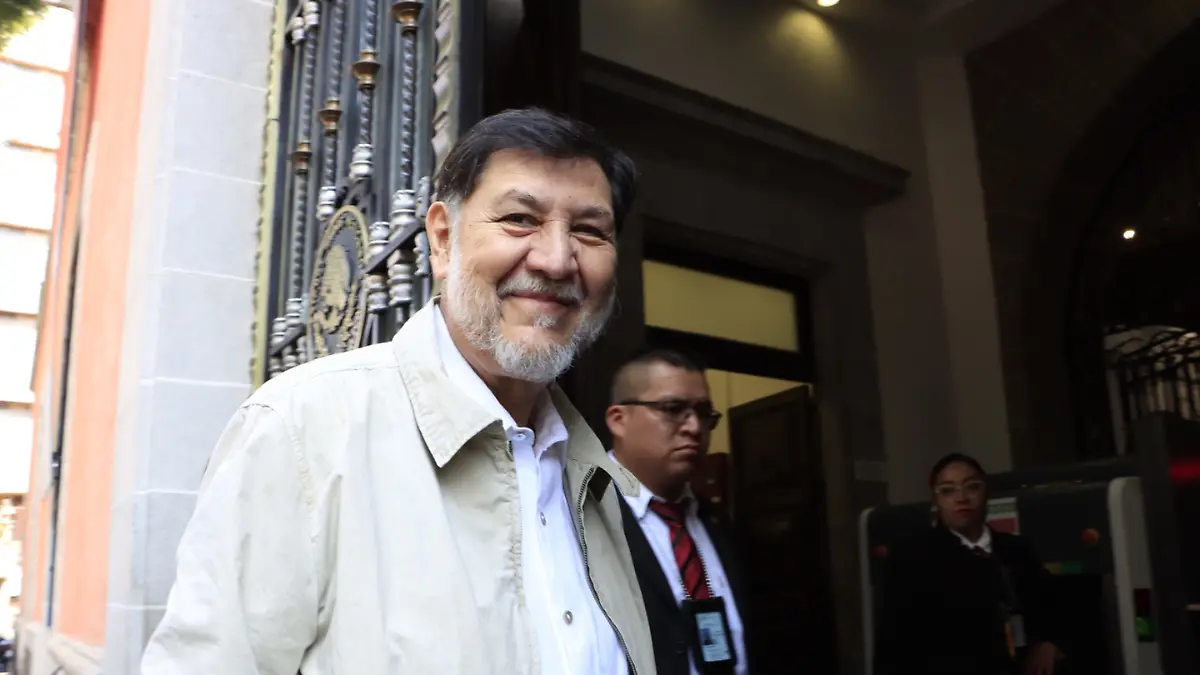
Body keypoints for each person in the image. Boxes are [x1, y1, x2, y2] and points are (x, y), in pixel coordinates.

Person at [141, 108, 656, 675]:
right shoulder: (302, 431)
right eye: (519, 219)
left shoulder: (594, 476)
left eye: (589, 231)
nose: (557, 260)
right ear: (442, 239)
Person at [606, 349, 748, 675]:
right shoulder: (579, 515)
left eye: (704, 413)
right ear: (619, 420)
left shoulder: (717, 522)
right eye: (673, 409)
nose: (695, 427)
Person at [874, 453, 1061, 675]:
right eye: (947, 490)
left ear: (985, 492)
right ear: (936, 501)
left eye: (972, 487)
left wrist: (1047, 643)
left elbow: (1048, 605)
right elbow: (892, 640)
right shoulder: (912, 556)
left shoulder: (1016, 550)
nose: (961, 497)